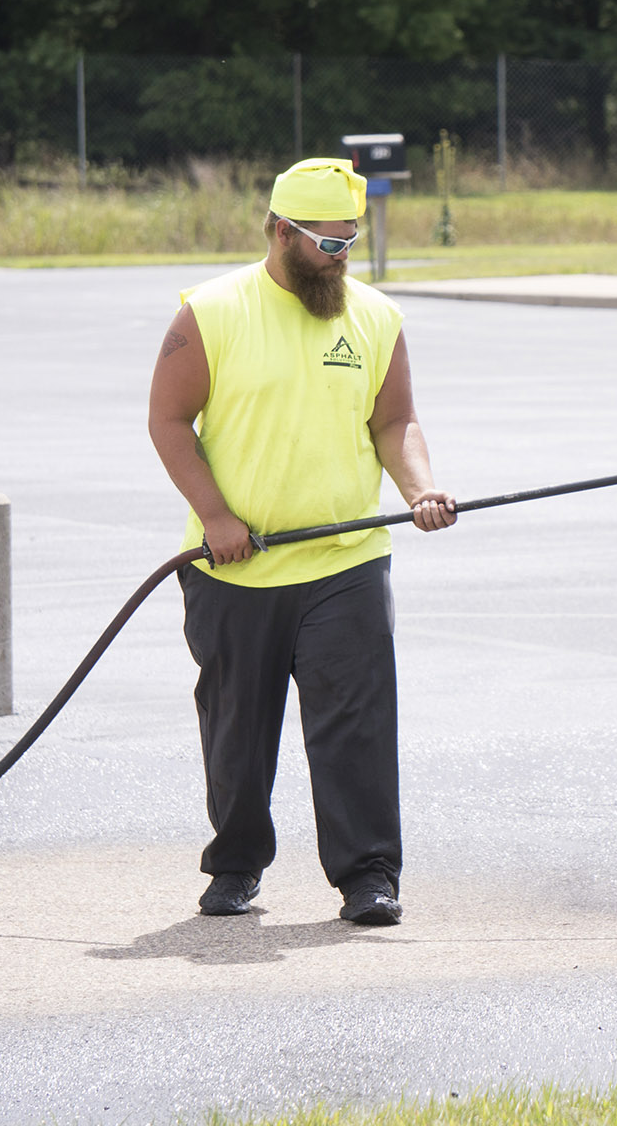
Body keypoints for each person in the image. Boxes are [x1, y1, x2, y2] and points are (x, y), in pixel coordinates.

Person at [148, 157, 456, 926]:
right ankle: (237, 864)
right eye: (325, 245)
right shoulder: (211, 313)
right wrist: (216, 516)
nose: (339, 259)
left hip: (345, 563)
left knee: (355, 725)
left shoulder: (376, 318)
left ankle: (368, 876)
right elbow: (167, 421)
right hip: (234, 568)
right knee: (237, 733)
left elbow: (395, 422)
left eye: (350, 243)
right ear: (280, 232)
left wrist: (419, 490)